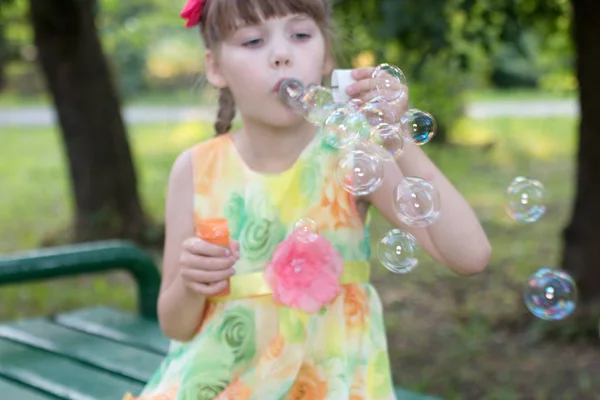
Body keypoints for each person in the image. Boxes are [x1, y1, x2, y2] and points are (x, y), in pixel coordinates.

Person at [123, 0, 491, 398]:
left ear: (326, 56)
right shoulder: (195, 170)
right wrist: (193, 284)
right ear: (215, 67)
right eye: (252, 40)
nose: (282, 55)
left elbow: (469, 255)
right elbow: (175, 325)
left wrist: (396, 138)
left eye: (300, 35)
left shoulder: (352, 156)